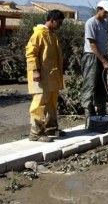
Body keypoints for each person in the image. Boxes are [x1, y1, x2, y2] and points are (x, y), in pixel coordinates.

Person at [25, 9, 65, 142]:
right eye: (59, 22)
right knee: (39, 103)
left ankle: (50, 128)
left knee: (52, 103)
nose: (60, 25)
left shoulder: (52, 35)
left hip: (51, 77)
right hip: (41, 76)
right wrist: (35, 70)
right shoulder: (38, 34)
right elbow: (31, 53)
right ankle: (36, 132)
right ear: (52, 20)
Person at [81, 0, 108, 122]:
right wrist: (103, 61)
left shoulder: (105, 23)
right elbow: (92, 44)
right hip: (91, 57)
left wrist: (106, 58)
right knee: (89, 86)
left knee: (101, 85)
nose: (106, 14)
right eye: (105, 12)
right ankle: (89, 117)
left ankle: (101, 114)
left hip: (101, 56)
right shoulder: (91, 23)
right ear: (99, 9)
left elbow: (103, 43)